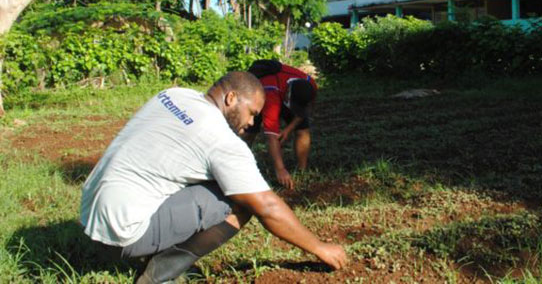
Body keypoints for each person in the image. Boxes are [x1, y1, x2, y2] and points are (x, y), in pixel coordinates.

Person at [80, 72, 347, 283]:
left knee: (218, 181)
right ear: (231, 98)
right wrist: (319, 247)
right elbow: (267, 205)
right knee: (241, 203)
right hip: (124, 233)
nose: (252, 123)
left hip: (90, 211)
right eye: (252, 112)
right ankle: (160, 275)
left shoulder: (174, 94)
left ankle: (156, 251)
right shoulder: (221, 141)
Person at [243, 60, 317, 190]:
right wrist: (280, 169)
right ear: (287, 94)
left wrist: (288, 129)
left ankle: (302, 170)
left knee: (303, 130)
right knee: (249, 133)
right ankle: (240, 165)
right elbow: (272, 137)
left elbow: (305, 110)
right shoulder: (270, 95)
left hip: (282, 93)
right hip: (260, 93)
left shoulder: (310, 84)